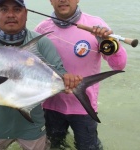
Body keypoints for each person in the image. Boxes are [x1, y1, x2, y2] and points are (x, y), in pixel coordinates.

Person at [0, 0, 82, 149]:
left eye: (17, 9)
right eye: (4, 9)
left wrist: (68, 80)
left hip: (33, 125)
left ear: (25, 13)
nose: (11, 15)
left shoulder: (41, 43)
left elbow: (60, 73)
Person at [35, 0, 127, 150]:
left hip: (84, 108)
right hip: (50, 106)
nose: (63, 0)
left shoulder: (96, 26)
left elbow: (119, 65)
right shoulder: (41, 29)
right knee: (53, 146)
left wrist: (108, 42)